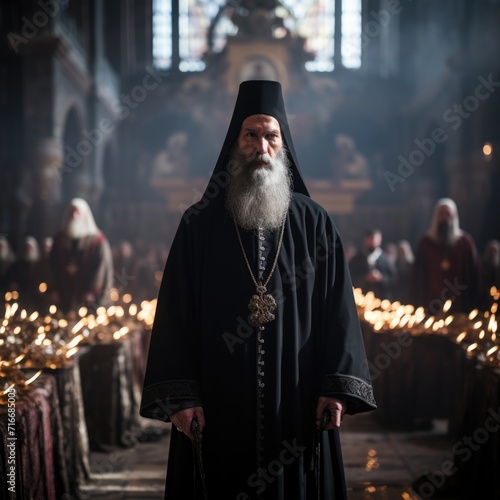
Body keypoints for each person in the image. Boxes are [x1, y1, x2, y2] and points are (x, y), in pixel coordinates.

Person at [140, 80, 376, 499]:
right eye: (251, 135)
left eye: (271, 136)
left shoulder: (315, 223)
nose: (261, 147)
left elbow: (338, 309)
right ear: (236, 141)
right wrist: (181, 396)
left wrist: (334, 387)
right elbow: (176, 314)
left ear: (283, 144)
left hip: (299, 401)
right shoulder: (198, 224)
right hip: (217, 402)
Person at [410, 198, 479, 314]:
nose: (444, 217)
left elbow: (473, 273)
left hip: (459, 303)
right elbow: (419, 274)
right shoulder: (426, 242)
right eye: (441, 214)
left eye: (447, 214)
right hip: (431, 302)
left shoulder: (464, 242)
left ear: (453, 216)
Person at [49, 198, 114, 313]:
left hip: (87, 295)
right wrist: (53, 287)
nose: (74, 215)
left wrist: (93, 290)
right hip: (64, 292)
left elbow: (101, 268)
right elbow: (52, 265)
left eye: (78, 212)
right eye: (72, 211)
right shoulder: (59, 239)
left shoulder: (98, 241)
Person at [348, 229, 397, 300]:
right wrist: (364, 278)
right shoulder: (357, 259)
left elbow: (393, 278)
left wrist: (381, 278)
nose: (373, 242)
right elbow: (350, 277)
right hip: (362, 298)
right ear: (365, 240)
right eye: (370, 239)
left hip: (383, 298)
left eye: (375, 239)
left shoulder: (386, 259)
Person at [479, 239, 500, 310]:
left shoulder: (498, 267)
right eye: (491, 251)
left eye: (495, 251)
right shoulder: (482, 266)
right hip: (484, 296)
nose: (493, 253)